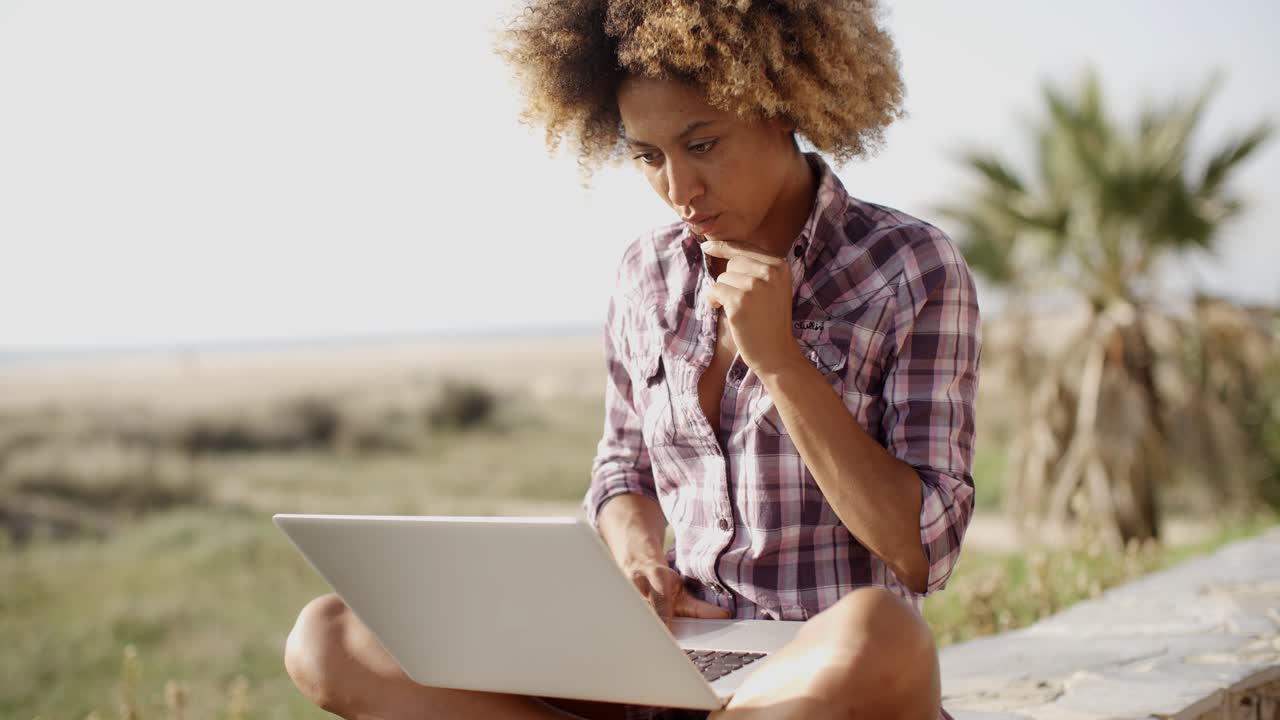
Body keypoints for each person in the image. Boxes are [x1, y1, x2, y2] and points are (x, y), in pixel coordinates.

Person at [283, 1, 979, 719]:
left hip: (813, 669)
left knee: (880, 635)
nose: (679, 190)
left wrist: (782, 364)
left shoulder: (908, 268)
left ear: (777, 107)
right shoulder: (647, 272)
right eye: (647, 156)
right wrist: (639, 555)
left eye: (702, 144)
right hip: (667, 657)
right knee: (331, 635)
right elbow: (622, 469)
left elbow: (922, 548)